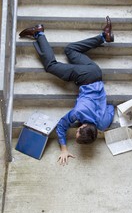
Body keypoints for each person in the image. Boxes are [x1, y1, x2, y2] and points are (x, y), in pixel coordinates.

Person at [19, 16, 115, 165]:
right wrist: (64, 149)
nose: (75, 129)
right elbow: (62, 126)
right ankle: (39, 33)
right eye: (77, 131)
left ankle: (103, 36)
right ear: (82, 126)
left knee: (70, 50)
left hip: (96, 72)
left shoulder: (103, 124)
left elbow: (110, 107)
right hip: (84, 77)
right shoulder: (78, 112)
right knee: (51, 66)